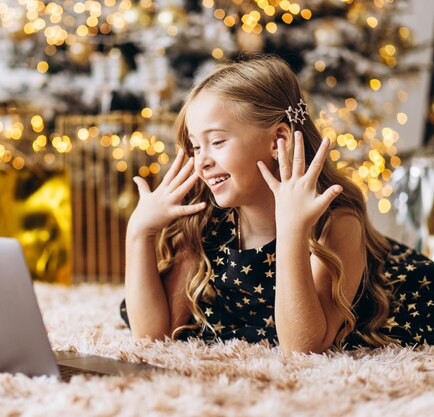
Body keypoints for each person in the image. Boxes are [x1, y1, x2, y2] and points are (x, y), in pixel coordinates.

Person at [119, 54, 434, 354]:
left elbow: (303, 346)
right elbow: (152, 337)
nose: (202, 162)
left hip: (397, 295)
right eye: (195, 146)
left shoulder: (336, 220)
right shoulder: (205, 218)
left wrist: (292, 229)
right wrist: (139, 234)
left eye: (216, 142)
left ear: (278, 140)